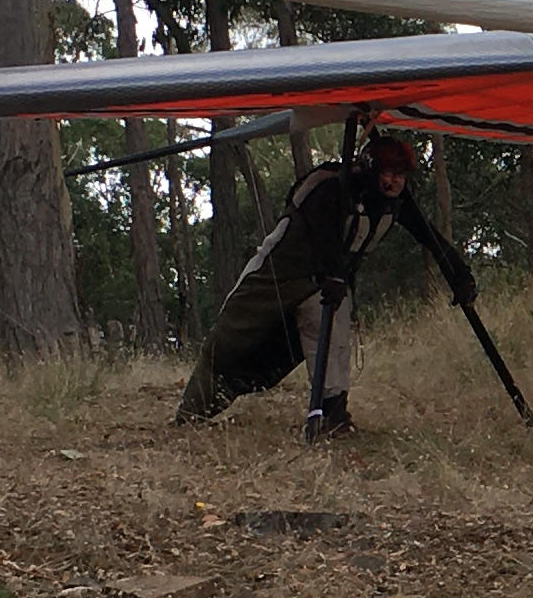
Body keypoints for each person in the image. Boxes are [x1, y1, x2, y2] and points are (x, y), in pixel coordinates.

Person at [175, 124, 485, 436]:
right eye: (387, 173)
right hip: (279, 274)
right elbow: (323, 235)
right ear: (370, 169)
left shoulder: (396, 202)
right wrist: (335, 274)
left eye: (399, 175)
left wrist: (460, 276)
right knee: (229, 342)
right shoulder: (331, 187)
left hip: (324, 282)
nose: (392, 182)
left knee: (329, 329)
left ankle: (332, 414)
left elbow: (429, 236)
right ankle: (190, 414)